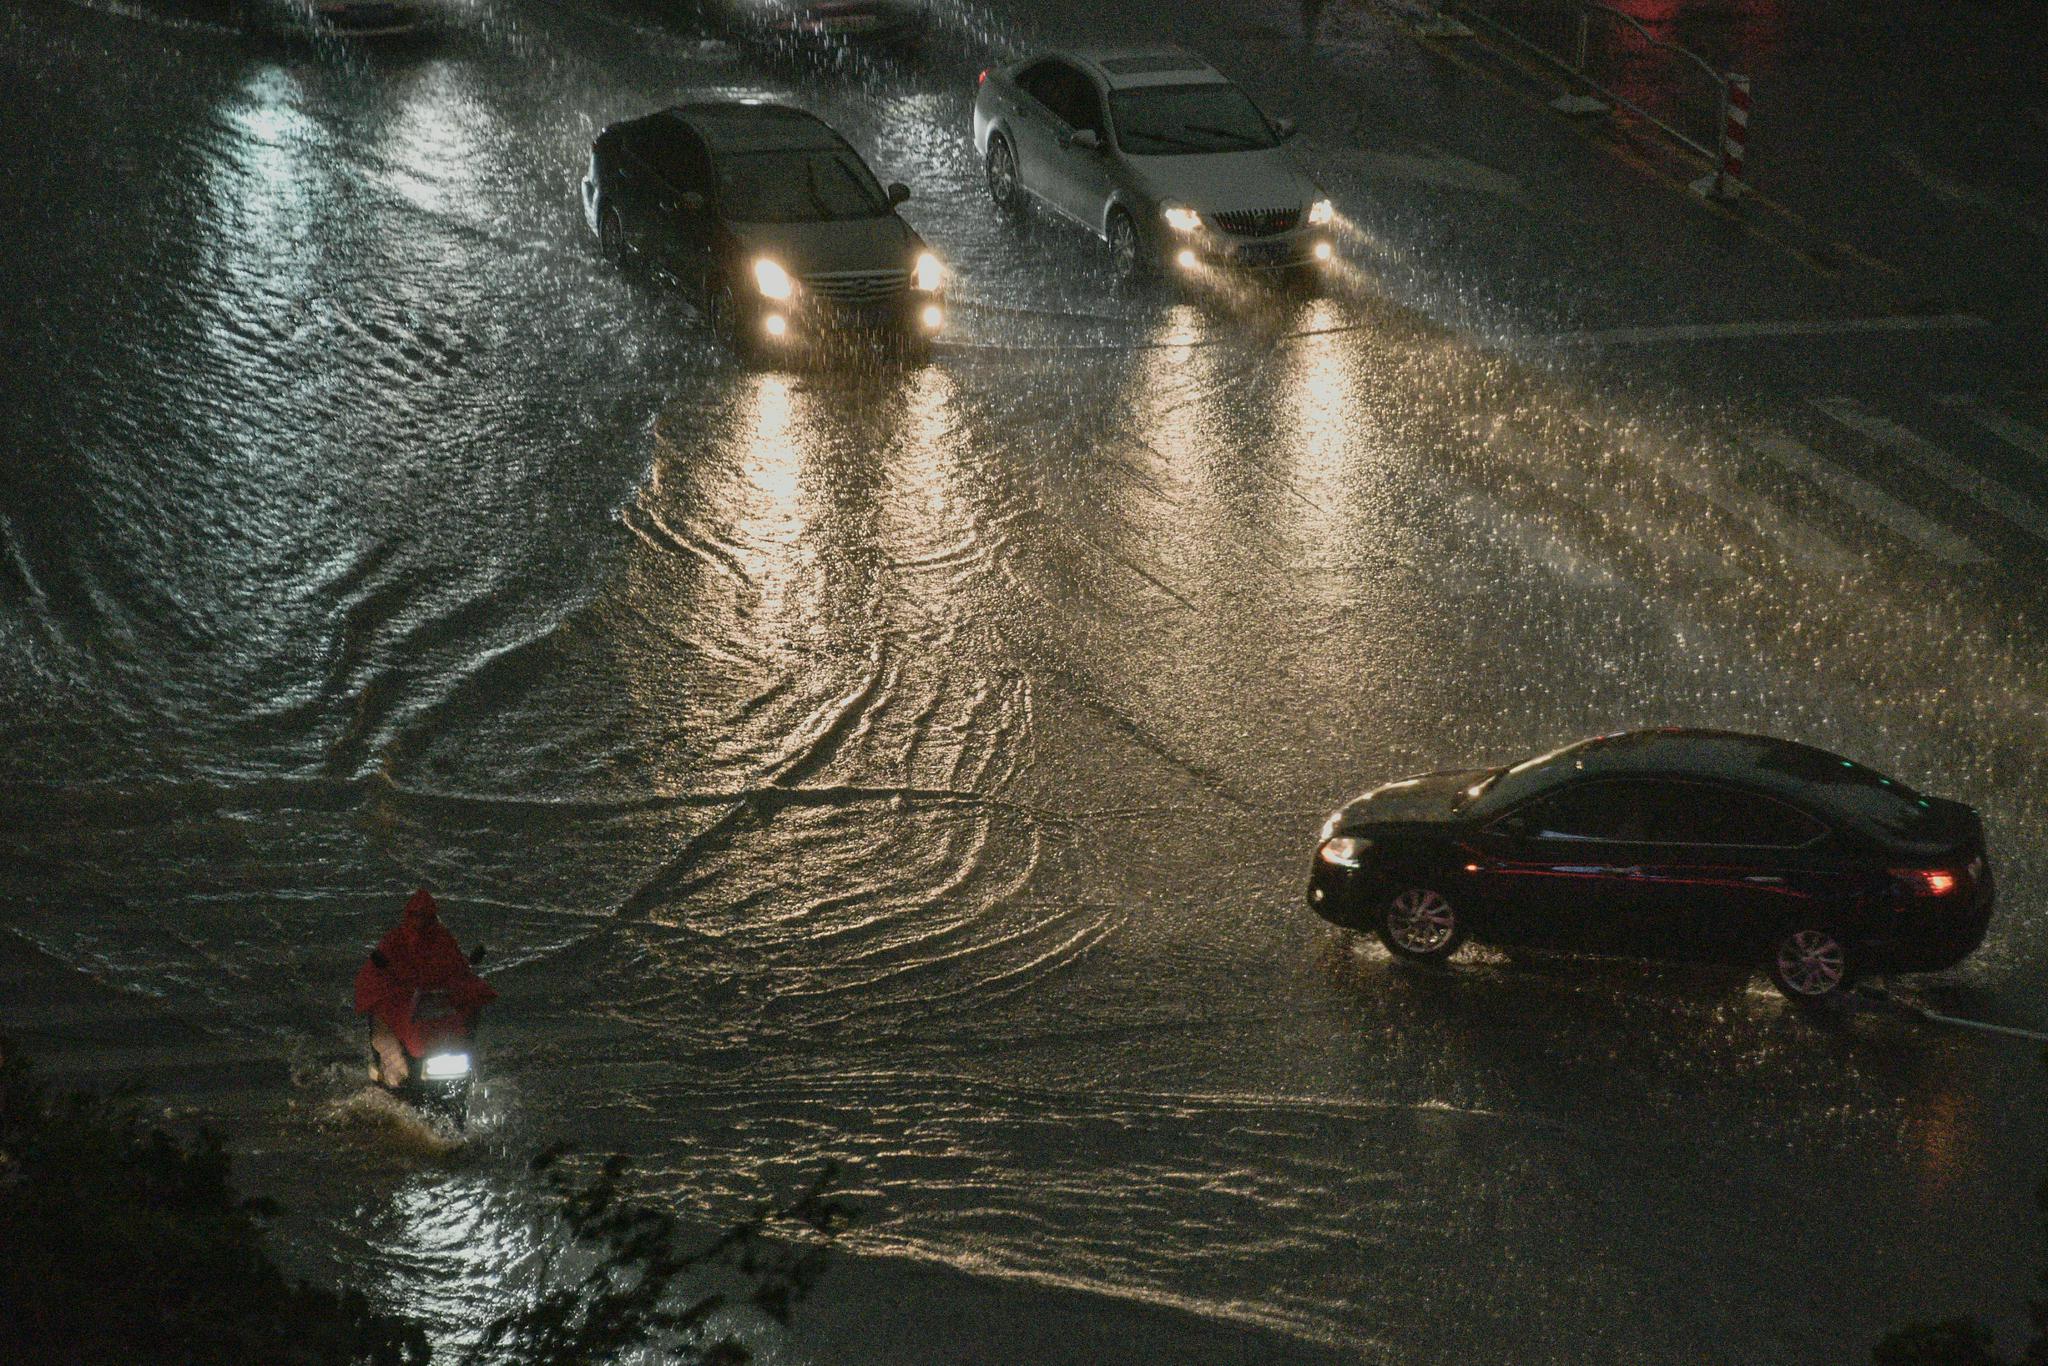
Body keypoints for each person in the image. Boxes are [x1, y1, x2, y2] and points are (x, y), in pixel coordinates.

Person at [353, 889, 496, 1089]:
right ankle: (387, 1072)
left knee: (466, 1022)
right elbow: (375, 978)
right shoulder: (394, 941)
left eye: (424, 918)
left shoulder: (443, 941)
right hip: (402, 1008)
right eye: (415, 917)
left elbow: (458, 970)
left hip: (436, 1011)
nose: (419, 925)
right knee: (386, 1041)